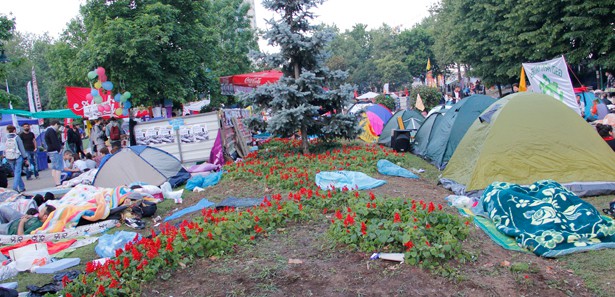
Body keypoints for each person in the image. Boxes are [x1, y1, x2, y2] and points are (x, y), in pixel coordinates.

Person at [4, 125, 28, 193]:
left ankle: (22, 187)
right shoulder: (17, 137)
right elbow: (21, 148)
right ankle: (15, 187)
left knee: (16, 172)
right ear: (14, 130)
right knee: (18, 172)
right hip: (17, 156)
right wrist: (25, 157)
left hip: (9, 157)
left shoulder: (6, 138)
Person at [44, 121, 63, 186]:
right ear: (55, 124)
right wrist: (59, 150)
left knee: (54, 167)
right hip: (55, 151)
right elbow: (54, 141)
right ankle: (58, 182)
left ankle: (56, 182)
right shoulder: (51, 131)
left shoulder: (47, 131)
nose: (58, 128)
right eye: (58, 126)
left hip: (50, 150)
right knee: (58, 167)